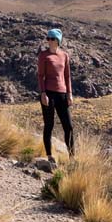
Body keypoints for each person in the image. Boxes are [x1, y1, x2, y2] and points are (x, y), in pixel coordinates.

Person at [37, 28, 74, 168]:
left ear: (58, 40)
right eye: (48, 38)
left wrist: (69, 93)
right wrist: (43, 93)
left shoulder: (64, 55)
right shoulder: (43, 56)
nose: (49, 41)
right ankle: (49, 155)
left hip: (62, 94)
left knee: (68, 126)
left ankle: (72, 157)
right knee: (49, 124)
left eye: (52, 38)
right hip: (48, 94)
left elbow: (67, 76)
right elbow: (40, 76)